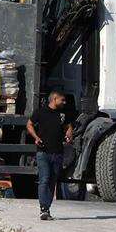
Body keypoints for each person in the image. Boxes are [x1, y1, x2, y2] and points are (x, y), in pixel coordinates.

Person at [26, 91, 78, 220]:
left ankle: (47, 209)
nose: (64, 102)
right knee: (44, 178)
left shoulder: (63, 114)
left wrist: (69, 134)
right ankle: (43, 208)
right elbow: (29, 124)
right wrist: (36, 137)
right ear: (54, 99)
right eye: (62, 100)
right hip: (43, 152)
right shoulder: (40, 112)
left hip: (58, 153)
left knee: (52, 181)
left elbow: (68, 126)